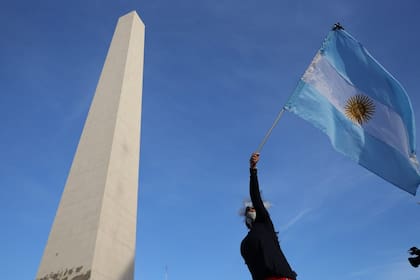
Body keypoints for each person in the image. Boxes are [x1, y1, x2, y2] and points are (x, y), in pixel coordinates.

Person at [241, 152, 297, 280]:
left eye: (253, 207)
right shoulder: (245, 243)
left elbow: (255, 196)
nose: (250, 209)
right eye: (248, 209)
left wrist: (253, 170)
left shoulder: (264, 223)